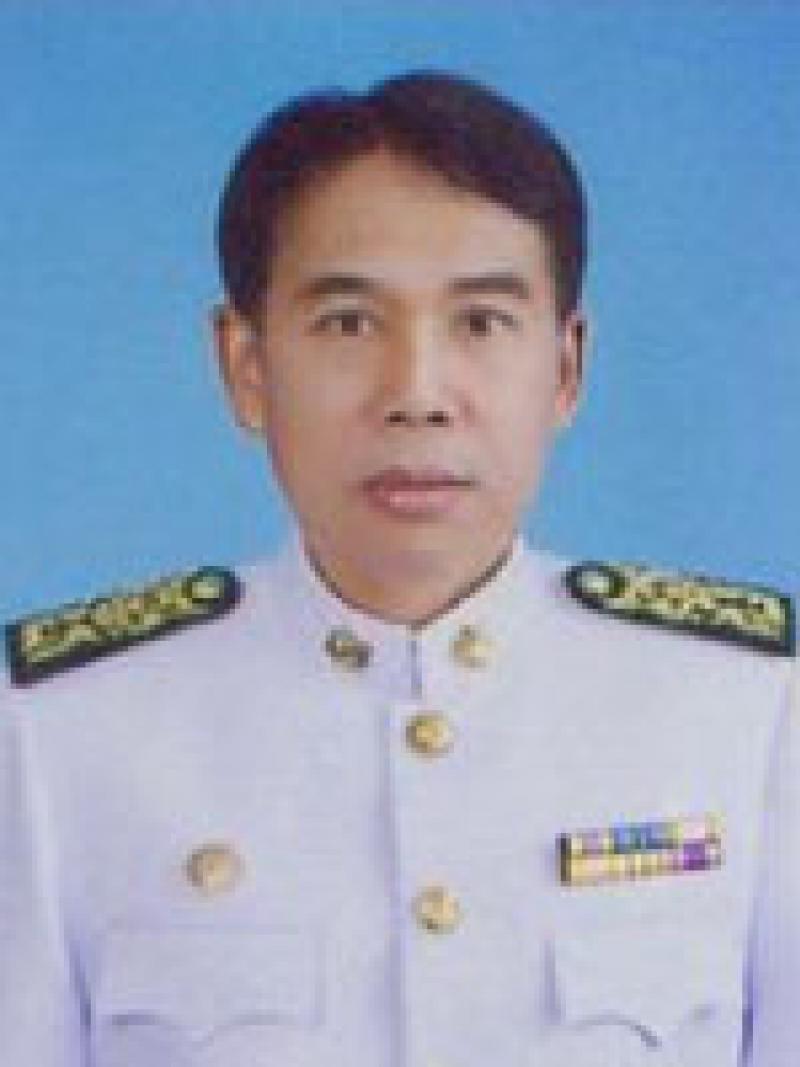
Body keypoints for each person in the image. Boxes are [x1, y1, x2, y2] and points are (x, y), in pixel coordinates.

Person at [1, 69, 796, 1067]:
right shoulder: (57, 734)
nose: (417, 393)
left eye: (481, 322)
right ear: (246, 366)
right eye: (348, 322)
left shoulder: (748, 710)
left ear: (565, 367)